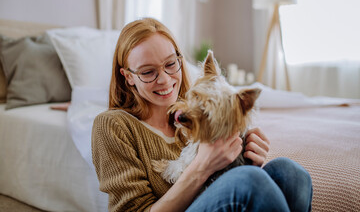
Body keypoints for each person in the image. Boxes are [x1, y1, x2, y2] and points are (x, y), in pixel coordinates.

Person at [91, 18, 313, 212]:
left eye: (171, 64)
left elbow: (223, 183)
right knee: (249, 182)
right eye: (148, 72)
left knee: (291, 173)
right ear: (128, 77)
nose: (165, 80)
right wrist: (202, 166)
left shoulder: (202, 112)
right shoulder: (112, 126)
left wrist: (246, 158)